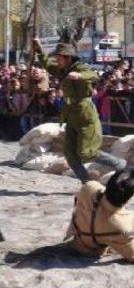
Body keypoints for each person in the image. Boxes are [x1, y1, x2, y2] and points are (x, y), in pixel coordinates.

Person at [33, 39, 126, 183]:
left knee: (87, 154)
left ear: (67, 57)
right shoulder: (62, 70)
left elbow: (93, 75)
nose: (57, 60)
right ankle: (88, 183)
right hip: (71, 115)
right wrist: (39, 49)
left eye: (59, 58)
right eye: (56, 58)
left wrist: (80, 76)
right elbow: (47, 64)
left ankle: (120, 164)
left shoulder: (80, 67)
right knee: (70, 154)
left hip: (85, 114)